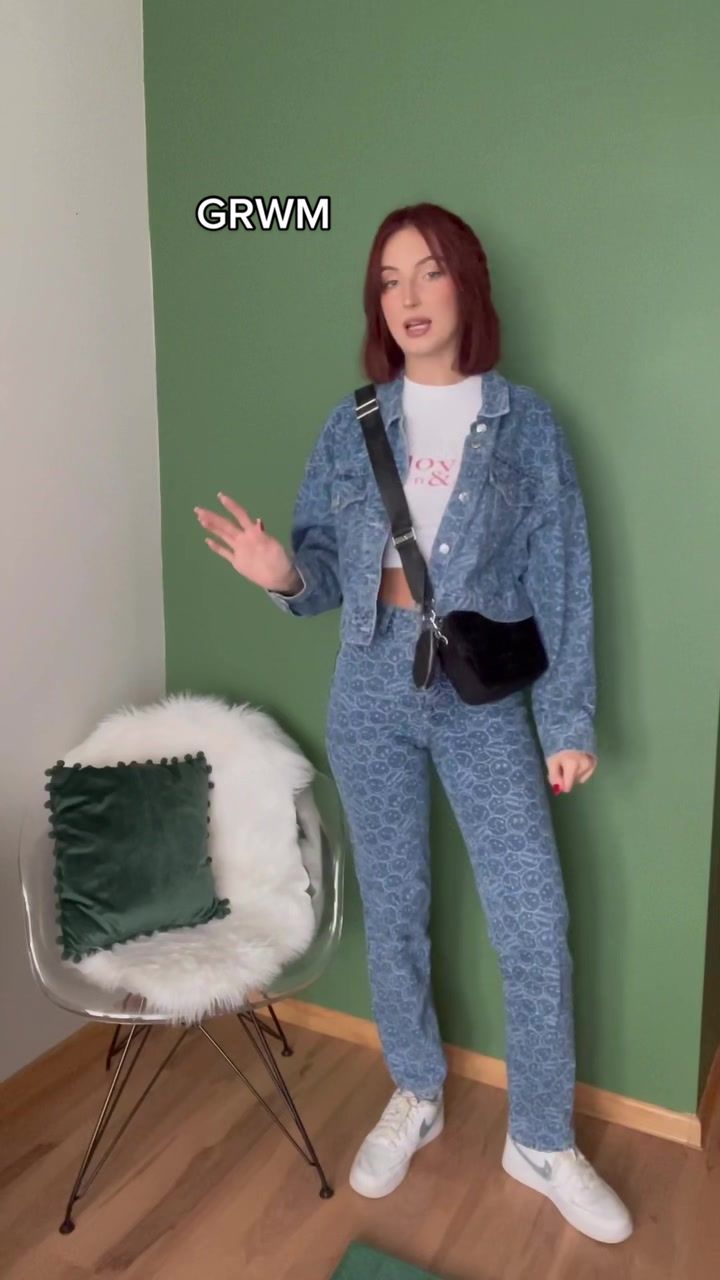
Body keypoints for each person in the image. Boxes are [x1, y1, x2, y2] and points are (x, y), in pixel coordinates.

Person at [194, 202, 633, 1246]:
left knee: (534, 919)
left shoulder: (525, 424)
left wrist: (567, 718)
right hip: (371, 686)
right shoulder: (355, 423)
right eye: (389, 280)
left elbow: (563, 578)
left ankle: (541, 1138)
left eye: (428, 272)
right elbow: (321, 571)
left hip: (482, 694)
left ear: (466, 286)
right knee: (394, 906)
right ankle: (416, 1088)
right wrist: (284, 573)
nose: (408, 297)